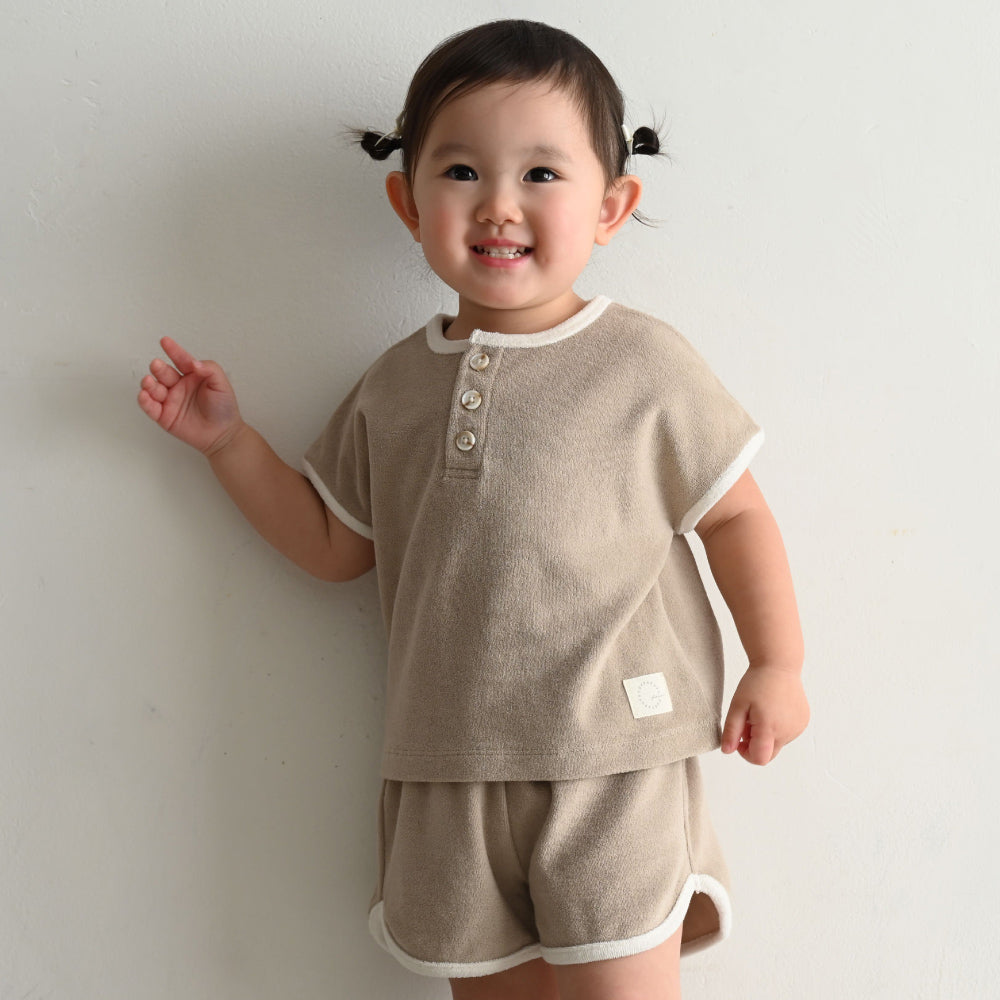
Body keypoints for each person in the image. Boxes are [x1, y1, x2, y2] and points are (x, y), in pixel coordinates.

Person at [137, 19, 808, 1000]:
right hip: (446, 773)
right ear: (409, 203)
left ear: (611, 206)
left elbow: (735, 517)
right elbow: (331, 545)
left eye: (541, 173)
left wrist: (777, 662)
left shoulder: (642, 365)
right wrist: (229, 444)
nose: (498, 203)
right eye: (460, 172)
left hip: (613, 762)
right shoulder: (394, 388)